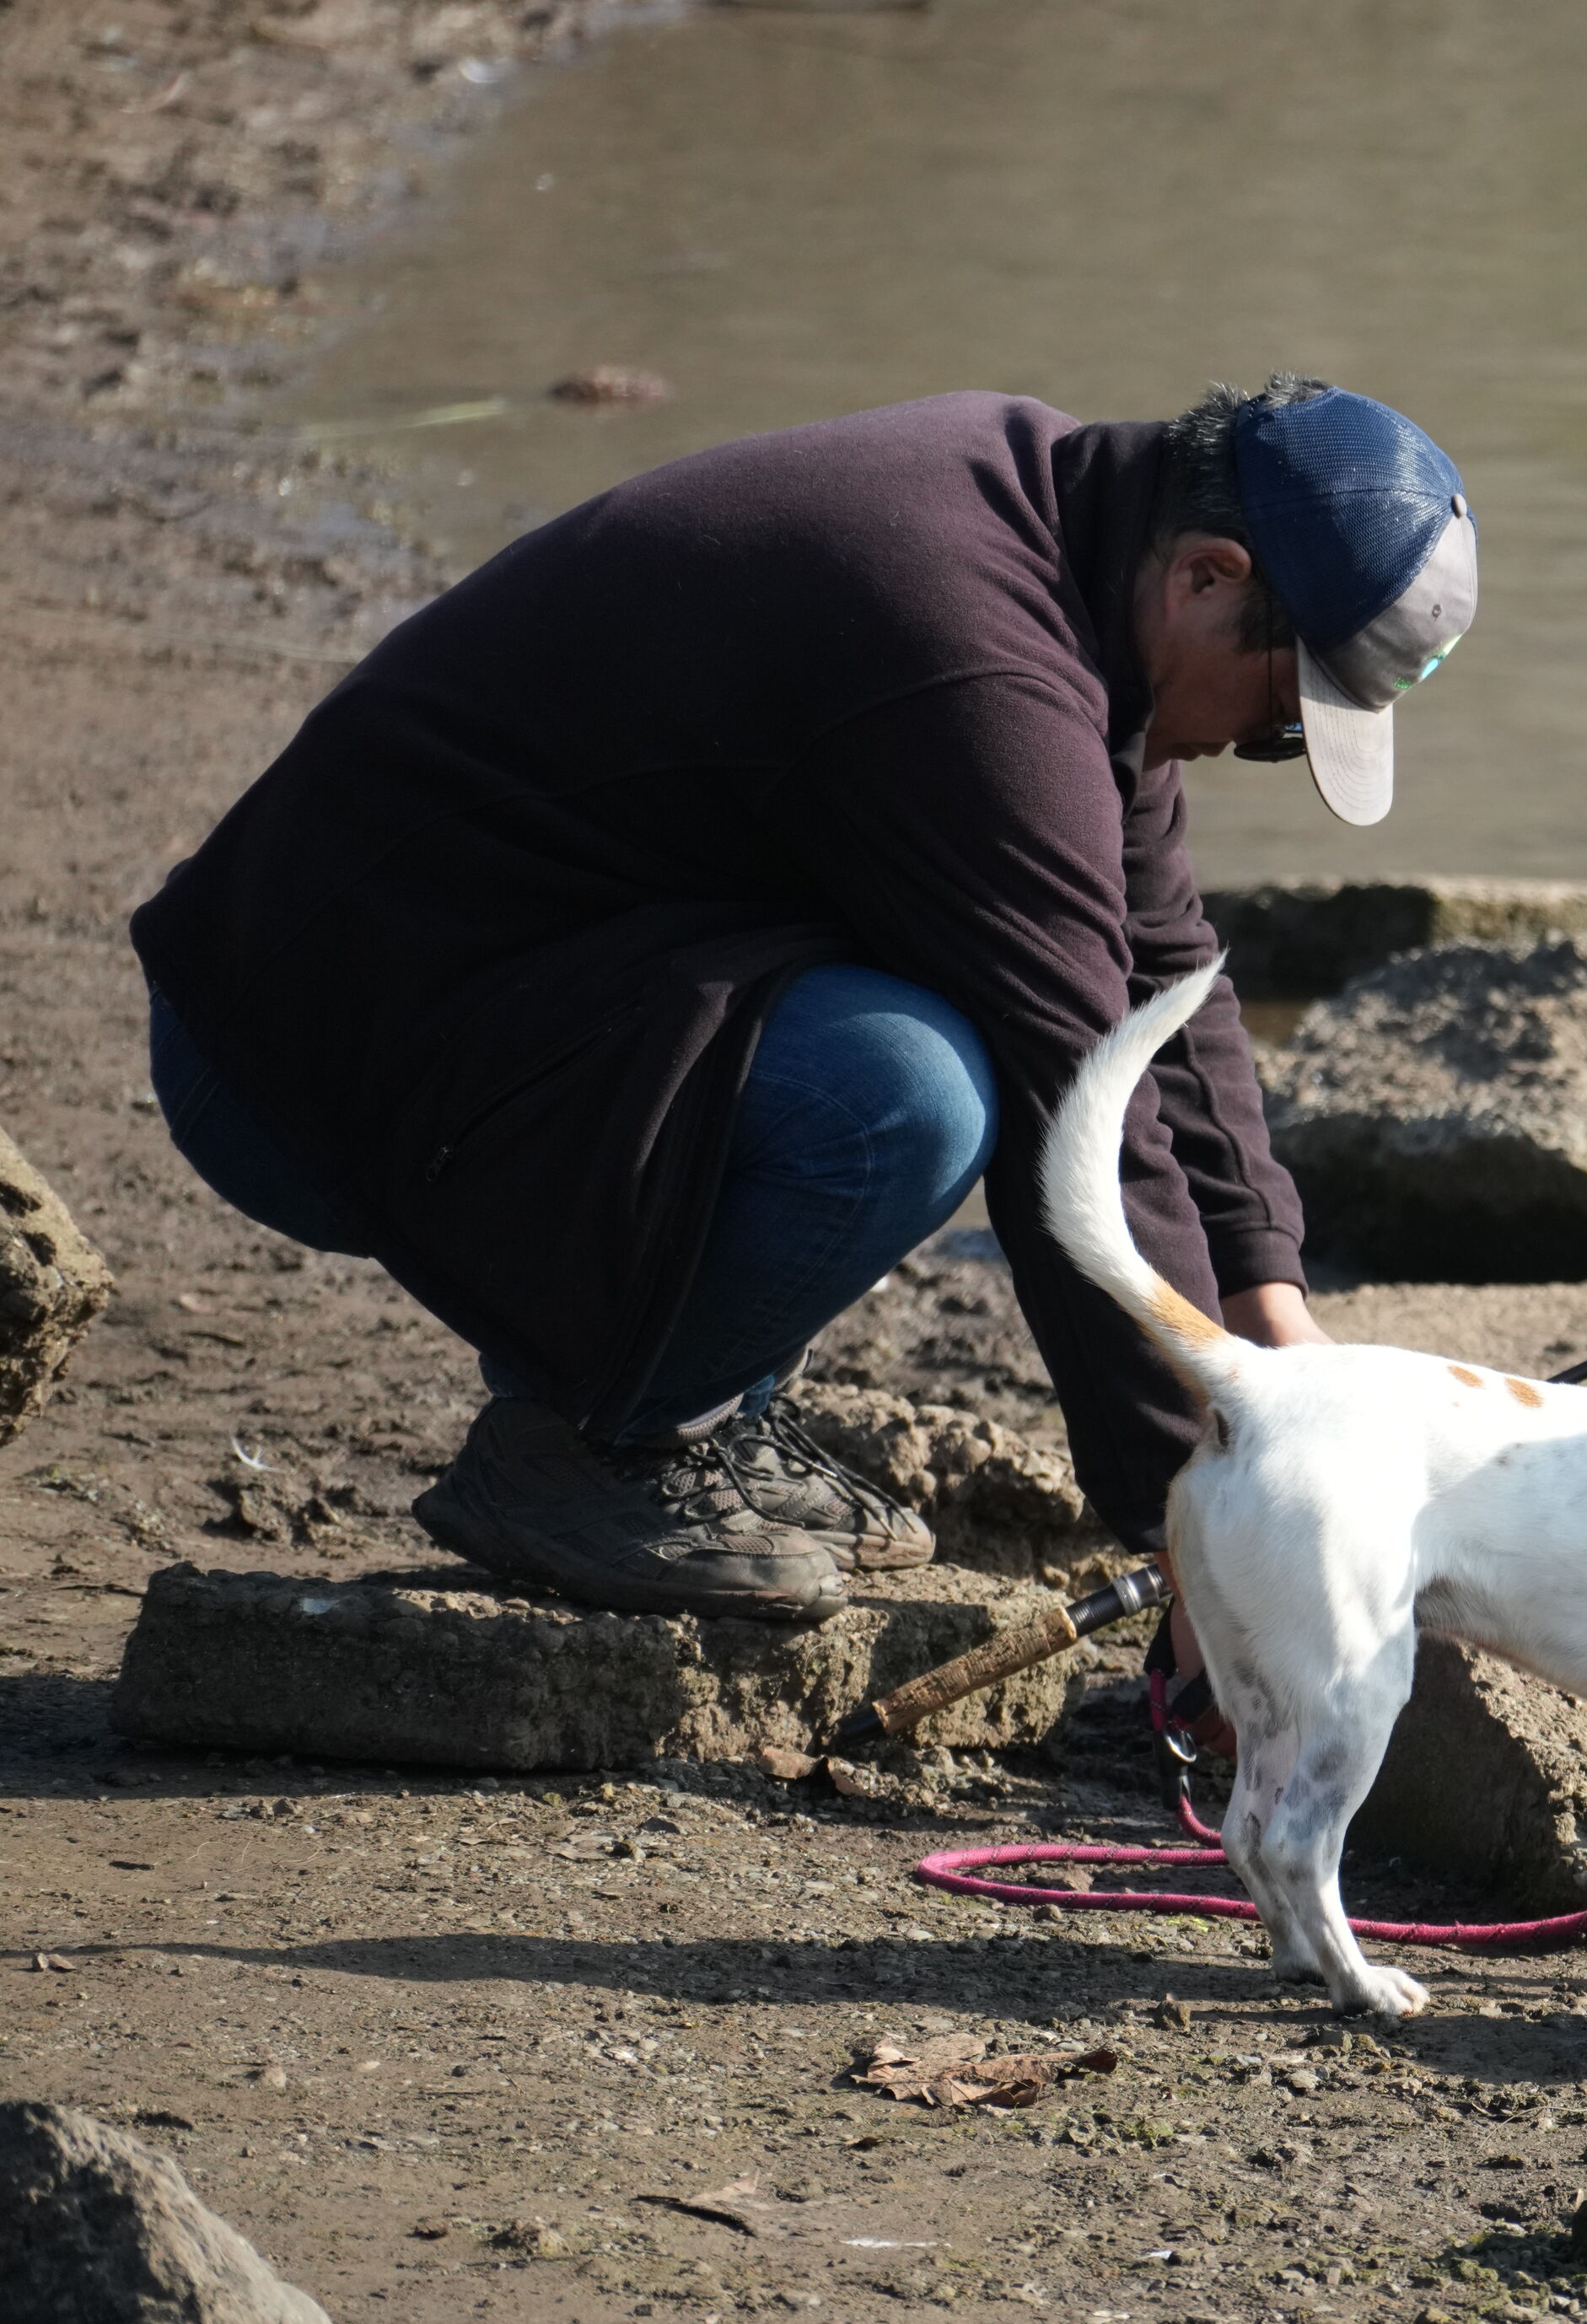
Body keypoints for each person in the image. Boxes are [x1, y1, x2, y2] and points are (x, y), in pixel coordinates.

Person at [130, 376, 1476, 1622]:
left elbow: (1164, 976)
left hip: (473, 977)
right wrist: (1206, 1532)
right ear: (1209, 575)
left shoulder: (1069, 533)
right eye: (1283, 714)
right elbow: (1086, 1114)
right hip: (299, 1057)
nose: (1259, 747)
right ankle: (598, 1448)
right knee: (909, 1096)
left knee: (940, 1018)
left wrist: (1277, 1325)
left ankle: (690, 1412)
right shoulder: (976, 665)